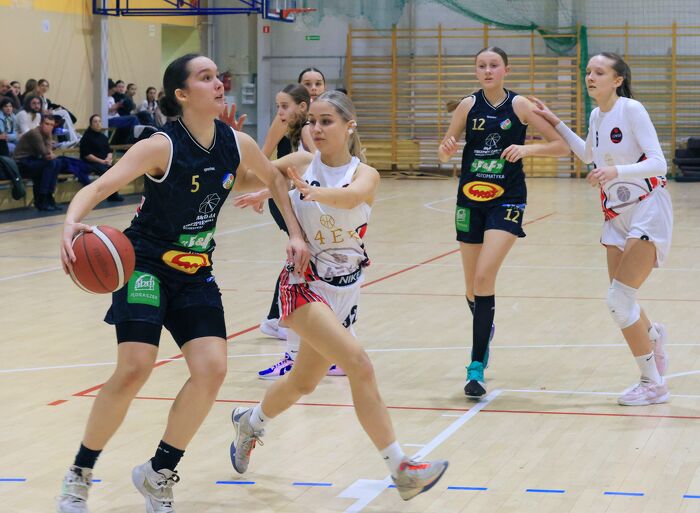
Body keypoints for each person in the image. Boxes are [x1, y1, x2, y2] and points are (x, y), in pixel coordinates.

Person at [56, 53, 309, 513]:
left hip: (196, 270)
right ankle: (80, 472)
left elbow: (272, 178)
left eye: (218, 76)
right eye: (205, 78)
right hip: (145, 266)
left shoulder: (236, 142)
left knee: (212, 370)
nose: (218, 83)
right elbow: (100, 186)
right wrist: (72, 221)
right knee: (135, 366)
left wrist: (294, 233)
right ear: (182, 94)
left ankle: (158, 473)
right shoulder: (160, 146)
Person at [229, 90, 449, 501]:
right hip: (303, 284)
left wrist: (310, 193)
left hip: (346, 288)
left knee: (302, 383)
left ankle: (250, 421)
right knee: (359, 365)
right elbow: (242, 179)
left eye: (326, 121)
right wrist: (234, 146)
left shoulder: (366, 174)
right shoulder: (298, 163)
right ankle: (401, 468)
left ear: (349, 126)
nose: (316, 128)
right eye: (312, 121)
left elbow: (350, 197)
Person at [531, 52, 672, 406]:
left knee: (618, 301)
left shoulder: (632, 110)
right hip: (616, 213)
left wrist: (616, 171)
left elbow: (659, 163)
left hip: (647, 207)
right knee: (622, 299)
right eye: (588, 72)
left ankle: (653, 383)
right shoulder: (597, 115)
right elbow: (588, 154)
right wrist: (556, 122)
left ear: (617, 80)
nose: (590, 77)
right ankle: (653, 336)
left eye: (599, 72)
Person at [438, 46, 568, 399]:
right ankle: (485, 323)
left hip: (507, 199)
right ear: (476, 71)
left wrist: (527, 149)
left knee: (484, 277)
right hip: (470, 199)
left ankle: (475, 366)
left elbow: (561, 146)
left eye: (494, 65)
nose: (487, 70)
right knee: (471, 288)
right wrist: (445, 151)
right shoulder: (467, 106)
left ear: (506, 70)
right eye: (481, 65)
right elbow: (445, 148)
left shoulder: (520, 105)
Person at [13, 113, 62, 210]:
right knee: (50, 163)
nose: (49, 127)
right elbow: (44, 152)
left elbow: (48, 152)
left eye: (52, 125)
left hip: (32, 160)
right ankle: (43, 197)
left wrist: (50, 152)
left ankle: (48, 196)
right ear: (40, 124)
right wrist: (51, 153)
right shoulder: (35, 133)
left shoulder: (47, 134)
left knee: (56, 163)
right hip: (21, 163)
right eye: (47, 124)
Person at [79, 114, 124, 202]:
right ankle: (111, 195)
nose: (98, 123)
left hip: (103, 162)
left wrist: (108, 159)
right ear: (91, 124)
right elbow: (87, 155)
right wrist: (102, 161)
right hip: (91, 163)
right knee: (106, 171)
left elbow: (109, 151)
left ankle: (112, 194)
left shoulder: (103, 137)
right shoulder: (86, 137)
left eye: (99, 121)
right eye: (95, 122)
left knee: (115, 170)